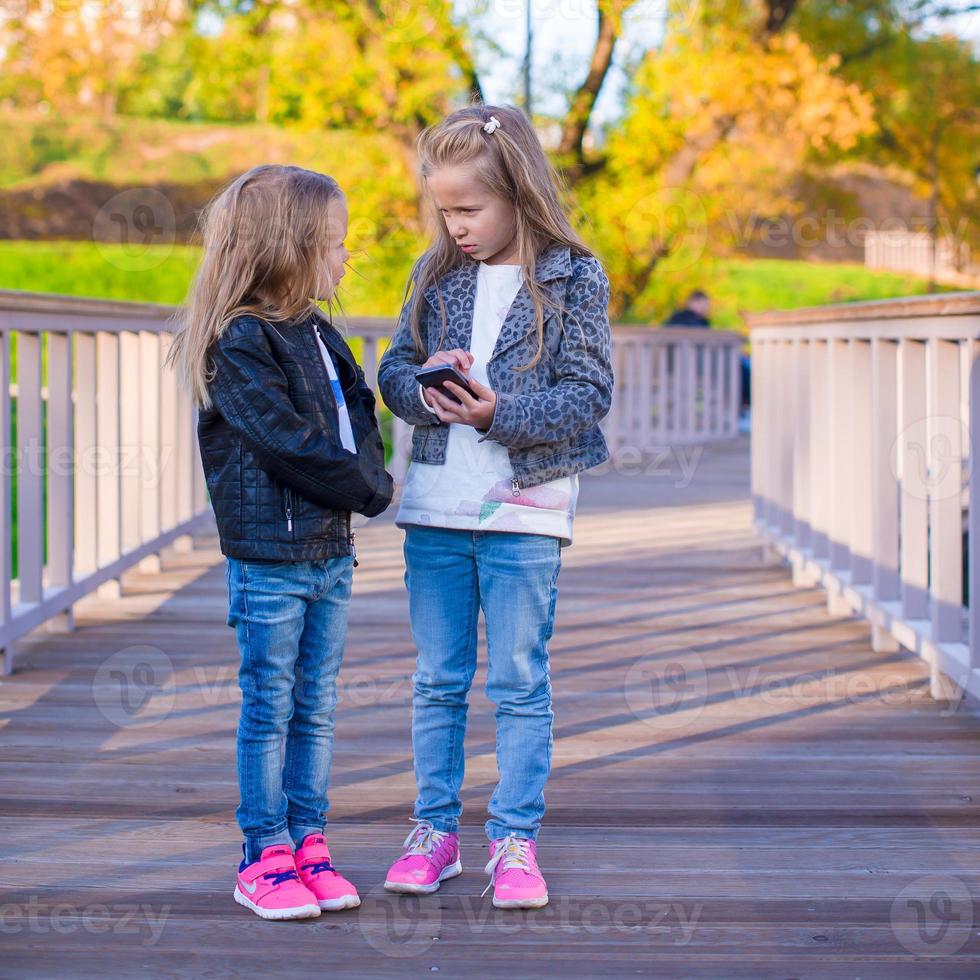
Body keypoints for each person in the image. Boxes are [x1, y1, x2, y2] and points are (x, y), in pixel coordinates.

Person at [377, 105, 613, 910]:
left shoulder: (575, 275)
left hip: (525, 509)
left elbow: (589, 392)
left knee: (518, 679)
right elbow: (393, 369)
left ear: (517, 192)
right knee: (438, 679)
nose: (456, 224)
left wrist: (496, 413)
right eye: (444, 210)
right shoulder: (433, 273)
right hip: (436, 507)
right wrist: (422, 385)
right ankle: (433, 831)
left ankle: (513, 838)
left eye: (469, 209)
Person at [166, 164, 394, 921]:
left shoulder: (322, 333)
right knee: (270, 705)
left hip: (330, 555)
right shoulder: (239, 342)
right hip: (270, 561)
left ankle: (309, 840)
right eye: (333, 243)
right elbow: (286, 443)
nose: (345, 257)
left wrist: (368, 464)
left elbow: (357, 410)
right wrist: (370, 489)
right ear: (285, 249)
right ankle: (261, 852)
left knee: (317, 706)